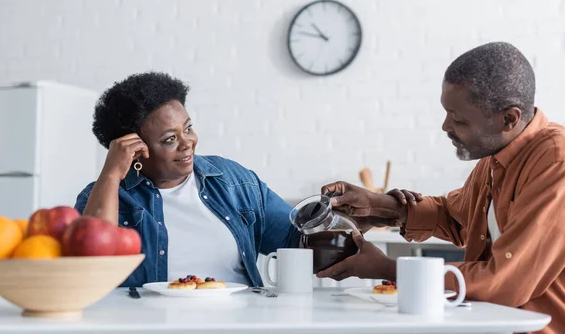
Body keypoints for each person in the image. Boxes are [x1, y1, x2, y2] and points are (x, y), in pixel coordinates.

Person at [316, 42, 565, 334]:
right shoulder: (497, 157)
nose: (445, 126)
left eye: (459, 119)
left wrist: (388, 269)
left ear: (508, 119)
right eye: (447, 112)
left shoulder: (555, 163)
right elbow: (457, 218)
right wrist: (378, 205)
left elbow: (506, 282)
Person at [74, 72, 298, 287]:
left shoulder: (233, 181)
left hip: (236, 323)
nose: (187, 142)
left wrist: (329, 214)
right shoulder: (104, 195)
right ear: (135, 150)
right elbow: (88, 267)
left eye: (188, 128)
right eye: (170, 139)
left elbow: (295, 240)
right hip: (151, 324)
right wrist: (111, 173)